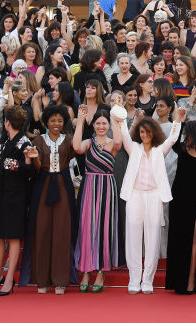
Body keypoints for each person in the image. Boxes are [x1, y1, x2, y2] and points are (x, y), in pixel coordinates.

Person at [116, 106, 185, 294]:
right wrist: (121, 115)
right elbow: (124, 134)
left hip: (154, 196)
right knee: (133, 237)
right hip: (135, 195)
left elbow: (172, 138)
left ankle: (148, 280)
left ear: (153, 133)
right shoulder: (133, 148)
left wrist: (177, 120)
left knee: (153, 238)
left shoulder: (159, 150)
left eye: (147, 132)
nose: (144, 135)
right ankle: (134, 279)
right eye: (141, 132)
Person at [0, 106, 37, 296]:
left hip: (16, 195)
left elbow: (30, 172)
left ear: (8, 123)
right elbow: (7, 166)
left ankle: (8, 279)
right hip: (1, 192)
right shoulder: (7, 141)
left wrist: (23, 162)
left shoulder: (25, 143)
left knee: (14, 237)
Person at [72, 103, 122, 293]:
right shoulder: (88, 143)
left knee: (104, 229)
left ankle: (101, 271)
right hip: (89, 187)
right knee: (87, 229)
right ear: (93, 126)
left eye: (104, 123)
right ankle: (86, 270)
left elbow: (118, 140)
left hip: (107, 188)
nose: (101, 126)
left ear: (108, 125)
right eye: (98, 123)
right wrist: (80, 121)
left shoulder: (113, 144)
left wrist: (116, 116)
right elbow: (76, 147)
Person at [29, 105, 76, 294]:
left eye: (60, 120)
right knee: (42, 230)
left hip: (64, 185)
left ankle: (60, 280)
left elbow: (78, 154)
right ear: (46, 122)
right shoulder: (39, 140)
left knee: (62, 232)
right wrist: (34, 158)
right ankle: (42, 280)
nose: (56, 124)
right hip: (43, 185)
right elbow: (38, 167)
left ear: (64, 122)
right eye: (52, 120)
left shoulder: (70, 140)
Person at [166, 120, 196, 294]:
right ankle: (177, 282)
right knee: (178, 239)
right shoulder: (182, 150)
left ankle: (190, 283)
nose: (185, 137)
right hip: (178, 200)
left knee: (194, 240)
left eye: (188, 134)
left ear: (195, 135)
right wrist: (178, 121)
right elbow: (174, 140)